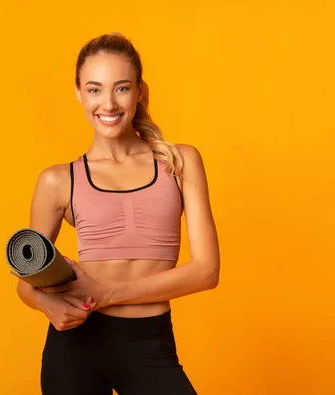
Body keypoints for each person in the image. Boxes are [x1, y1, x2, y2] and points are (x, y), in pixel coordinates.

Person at [16, 32, 220, 395]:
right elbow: (26, 283)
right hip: (75, 347)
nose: (107, 103)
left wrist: (108, 293)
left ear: (140, 91)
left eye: (121, 88)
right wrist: (49, 306)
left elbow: (206, 272)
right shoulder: (58, 181)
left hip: (150, 344)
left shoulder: (180, 162)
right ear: (79, 92)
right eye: (94, 90)